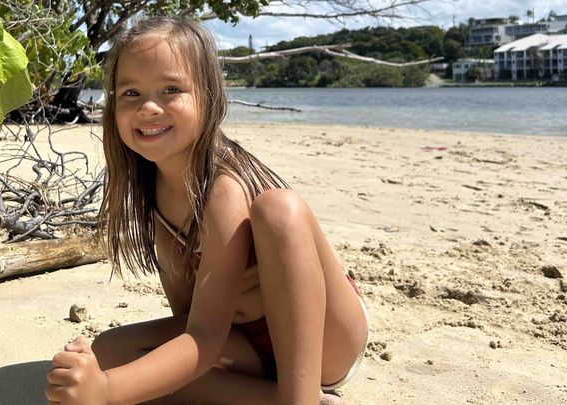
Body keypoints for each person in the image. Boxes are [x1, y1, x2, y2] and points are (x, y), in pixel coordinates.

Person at [45, 16, 369, 405]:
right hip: (246, 343)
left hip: (323, 340)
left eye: (171, 89)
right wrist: (102, 379)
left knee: (279, 208)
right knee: (111, 352)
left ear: (209, 96)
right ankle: (285, 398)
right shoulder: (154, 193)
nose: (148, 107)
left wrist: (108, 391)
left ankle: (298, 399)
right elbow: (191, 324)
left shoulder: (223, 188)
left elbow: (204, 338)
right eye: (131, 92)